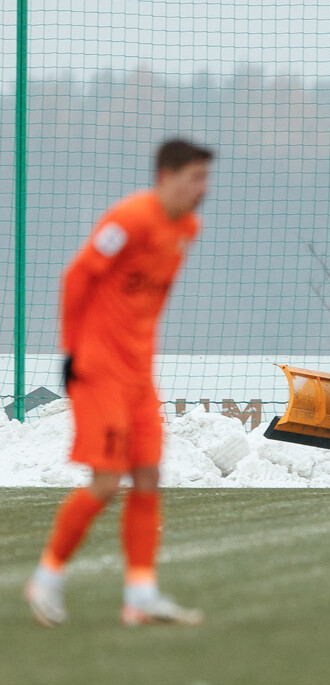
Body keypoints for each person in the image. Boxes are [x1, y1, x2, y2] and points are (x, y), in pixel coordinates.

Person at [25, 139, 214, 627]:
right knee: (107, 482)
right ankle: (47, 577)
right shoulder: (128, 219)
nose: (203, 188)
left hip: (137, 374)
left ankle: (141, 595)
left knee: (149, 476)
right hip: (99, 371)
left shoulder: (188, 228)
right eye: (195, 177)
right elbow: (76, 277)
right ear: (166, 176)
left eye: (205, 177)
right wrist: (72, 351)